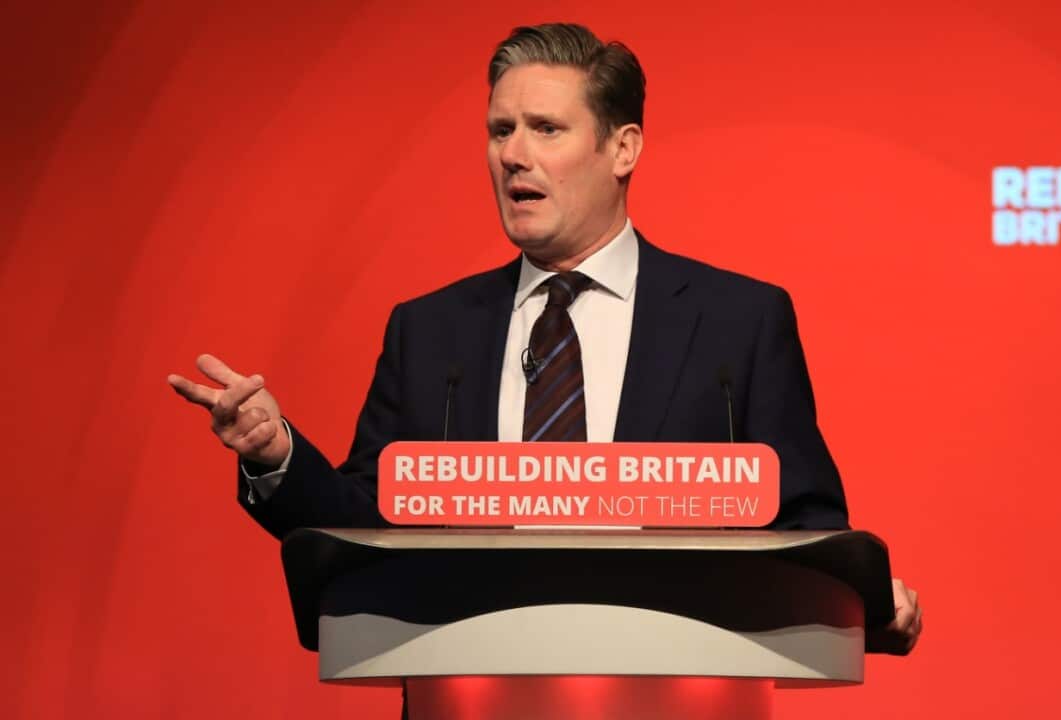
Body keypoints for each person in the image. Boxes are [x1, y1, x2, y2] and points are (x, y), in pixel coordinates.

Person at [168, 23, 921, 655]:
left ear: (622, 149)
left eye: (546, 129)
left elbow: (807, 525)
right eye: (501, 130)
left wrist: (863, 602)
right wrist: (276, 454)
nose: (512, 154)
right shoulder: (430, 330)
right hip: (468, 686)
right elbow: (366, 526)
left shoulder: (738, 321)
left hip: (674, 688)